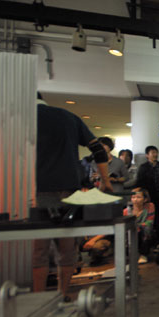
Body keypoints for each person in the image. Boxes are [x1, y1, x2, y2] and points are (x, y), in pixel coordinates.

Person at [33, 93, 113, 295]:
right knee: (67, 249)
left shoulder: (24, 117)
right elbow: (98, 150)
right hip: (69, 191)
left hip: (36, 191)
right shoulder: (68, 117)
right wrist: (106, 181)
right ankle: (63, 294)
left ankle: (39, 299)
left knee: (39, 251)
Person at [137, 145, 159, 242]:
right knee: (150, 217)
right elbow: (140, 182)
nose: (155, 154)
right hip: (149, 196)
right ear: (147, 155)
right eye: (153, 152)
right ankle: (150, 240)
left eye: (156, 152)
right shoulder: (143, 167)